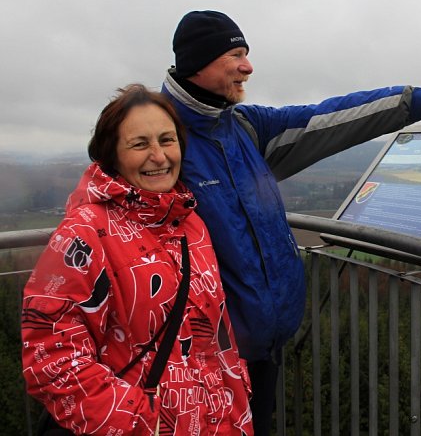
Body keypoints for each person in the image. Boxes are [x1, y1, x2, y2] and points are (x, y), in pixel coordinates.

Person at [161, 9, 421, 435]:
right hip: (200, 358)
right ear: (198, 62)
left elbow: (327, 116)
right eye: (236, 55)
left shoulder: (242, 126)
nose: (248, 66)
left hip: (263, 347)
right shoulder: (162, 137)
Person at [22, 85, 254, 435]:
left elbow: (214, 333)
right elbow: (51, 358)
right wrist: (141, 423)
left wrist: (236, 403)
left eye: (167, 140)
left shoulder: (190, 223)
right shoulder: (84, 233)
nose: (159, 156)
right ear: (112, 155)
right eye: (140, 144)